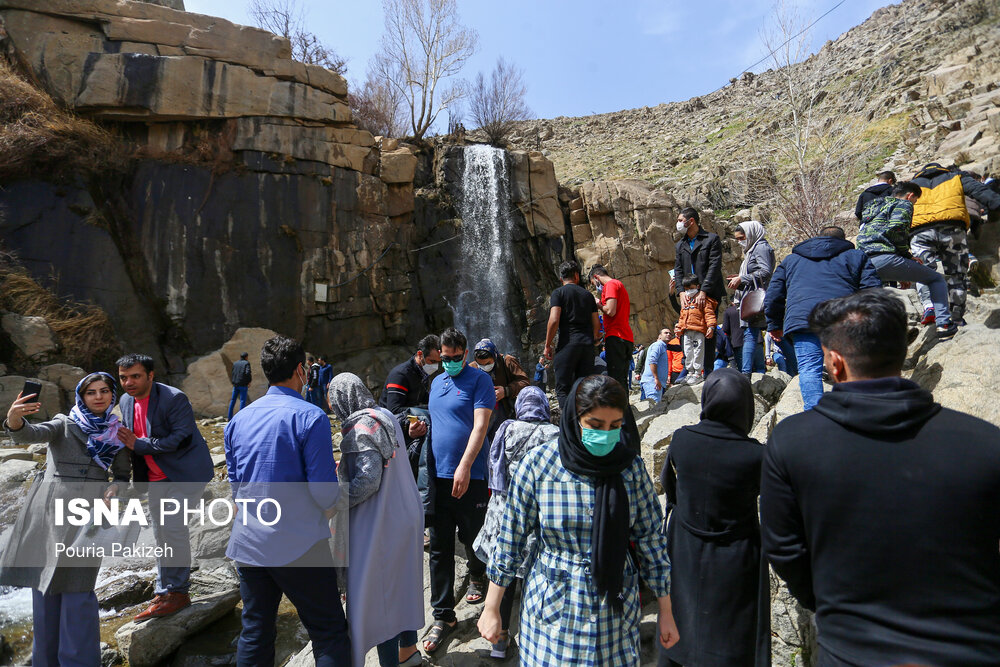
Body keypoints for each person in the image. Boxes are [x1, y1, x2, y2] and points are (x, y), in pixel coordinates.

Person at [760, 289, 1000, 666]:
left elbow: (784, 550)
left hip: (852, 650)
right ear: (901, 353)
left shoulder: (792, 443)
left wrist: (836, 605)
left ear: (835, 363)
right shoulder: (987, 443)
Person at [477, 375, 679, 665]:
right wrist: (492, 607)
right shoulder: (538, 466)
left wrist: (666, 611)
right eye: (595, 425)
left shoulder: (630, 469)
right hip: (554, 610)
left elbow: (651, 541)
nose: (605, 435)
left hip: (613, 615)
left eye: (615, 426)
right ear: (575, 418)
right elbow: (511, 537)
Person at [224, 336, 351, 666]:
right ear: (301, 370)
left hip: (249, 541)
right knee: (329, 632)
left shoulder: (238, 420)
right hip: (300, 543)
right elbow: (323, 492)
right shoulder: (311, 417)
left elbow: (236, 487)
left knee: (255, 630)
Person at [0, 372, 129, 667]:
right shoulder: (63, 423)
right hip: (49, 513)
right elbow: (28, 435)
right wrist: (15, 419)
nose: (98, 397)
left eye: (104, 391)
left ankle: (79, 662)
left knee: (79, 589)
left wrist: (116, 486)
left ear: (112, 395)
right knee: (45, 585)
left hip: (92, 514)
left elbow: (122, 472)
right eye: (91, 392)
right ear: (81, 398)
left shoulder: (118, 430)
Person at [658, 369, 768, 667]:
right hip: (737, 558)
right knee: (731, 633)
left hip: (684, 547)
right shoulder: (756, 456)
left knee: (681, 618)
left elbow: (669, 485)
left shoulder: (682, 439)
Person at [328, 374, 424, 667]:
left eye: (332, 401)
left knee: (379, 601)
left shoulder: (360, 427)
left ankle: (390, 662)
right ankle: (409, 652)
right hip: (405, 514)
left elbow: (368, 481)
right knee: (401, 587)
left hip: (380, 526)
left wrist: (333, 500)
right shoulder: (384, 416)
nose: (332, 408)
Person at [116, 353, 214, 619]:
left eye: (135, 376)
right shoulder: (125, 400)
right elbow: (126, 441)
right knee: (161, 534)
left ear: (150, 375)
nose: (128, 383)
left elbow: (179, 439)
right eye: (123, 377)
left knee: (172, 529)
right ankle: (165, 592)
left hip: (185, 474)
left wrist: (140, 444)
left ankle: (177, 593)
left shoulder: (174, 398)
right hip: (156, 478)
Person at [472, 386, 559, 659]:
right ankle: (536, 637)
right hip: (541, 519)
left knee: (504, 577)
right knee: (535, 581)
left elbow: (493, 469)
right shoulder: (556, 435)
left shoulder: (507, 430)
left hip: (506, 515)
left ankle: (499, 641)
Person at [423, 328, 494, 653]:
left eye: (455, 358)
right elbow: (439, 422)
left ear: (465, 353)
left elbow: (480, 425)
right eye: (444, 358)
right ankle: (443, 616)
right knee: (439, 548)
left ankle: (479, 575)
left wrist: (465, 466)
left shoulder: (479, 381)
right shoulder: (436, 383)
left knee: (473, 536)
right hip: (437, 479)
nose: (449, 363)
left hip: (471, 476)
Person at [763, 227, 881, 410]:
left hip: (804, 321)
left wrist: (774, 323)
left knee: (809, 369)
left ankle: (815, 416)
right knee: (847, 367)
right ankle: (853, 413)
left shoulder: (791, 260)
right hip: (842, 318)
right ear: (843, 241)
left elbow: (773, 295)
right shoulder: (856, 256)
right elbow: (872, 290)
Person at [857, 181, 958, 339]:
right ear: (910, 195)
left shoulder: (873, 207)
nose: (914, 204)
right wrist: (907, 255)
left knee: (877, 301)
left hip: (865, 263)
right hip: (886, 257)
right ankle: (944, 324)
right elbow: (897, 228)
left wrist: (900, 273)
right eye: (915, 200)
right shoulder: (904, 204)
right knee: (936, 279)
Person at [909, 162, 1000, 325]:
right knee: (957, 274)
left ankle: (929, 307)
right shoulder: (956, 176)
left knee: (922, 271)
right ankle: (957, 317)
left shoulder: (911, 185)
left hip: (920, 231)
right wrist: (996, 203)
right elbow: (979, 191)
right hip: (952, 227)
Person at [673, 208, 724, 375]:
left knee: (708, 330)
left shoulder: (711, 239)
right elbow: (678, 270)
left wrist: (704, 291)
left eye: (681, 220)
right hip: (688, 294)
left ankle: (707, 369)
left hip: (708, 294)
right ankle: (687, 369)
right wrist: (681, 292)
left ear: (691, 221)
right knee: (686, 328)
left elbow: (714, 267)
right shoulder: (681, 244)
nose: (678, 223)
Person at [544, 260, 600, 408]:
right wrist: (594, 339)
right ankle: (587, 424)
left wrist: (547, 345)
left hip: (567, 345)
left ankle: (569, 426)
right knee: (586, 388)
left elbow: (554, 320)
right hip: (587, 346)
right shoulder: (588, 295)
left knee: (563, 389)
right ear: (576, 275)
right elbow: (596, 324)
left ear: (561, 278)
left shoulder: (558, 293)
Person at [727, 221, 775, 378]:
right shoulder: (752, 249)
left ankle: (746, 373)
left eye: (742, 237)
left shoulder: (760, 247)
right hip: (751, 296)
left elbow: (765, 272)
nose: (740, 241)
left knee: (752, 333)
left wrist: (742, 278)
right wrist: (740, 279)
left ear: (752, 233)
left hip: (757, 298)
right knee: (763, 332)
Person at [469, 338, 530, 436]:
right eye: (481, 364)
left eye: (488, 363)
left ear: (495, 356)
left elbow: (524, 382)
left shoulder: (507, 361)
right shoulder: (472, 368)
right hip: (481, 412)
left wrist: (506, 391)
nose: (485, 366)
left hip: (505, 410)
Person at [589, 264, 635, 388]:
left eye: (594, 283)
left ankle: (620, 407)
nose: (596, 287)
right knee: (622, 378)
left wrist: (598, 304)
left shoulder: (610, 285)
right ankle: (625, 407)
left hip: (616, 337)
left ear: (596, 277)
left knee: (615, 378)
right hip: (626, 337)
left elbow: (610, 310)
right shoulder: (618, 284)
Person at [677, 274, 717, 385]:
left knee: (698, 351)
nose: (689, 291)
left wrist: (711, 327)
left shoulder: (703, 300)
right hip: (686, 331)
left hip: (699, 331)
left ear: (698, 286)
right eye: (686, 289)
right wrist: (679, 329)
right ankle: (689, 372)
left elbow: (709, 314)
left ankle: (698, 374)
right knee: (688, 351)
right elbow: (682, 317)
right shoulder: (686, 301)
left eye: (691, 288)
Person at [640, 327, 674, 402]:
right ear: (660, 336)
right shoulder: (658, 345)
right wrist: (656, 378)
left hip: (655, 383)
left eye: (670, 333)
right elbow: (652, 361)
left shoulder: (663, 346)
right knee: (653, 408)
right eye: (666, 333)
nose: (669, 334)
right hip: (653, 383)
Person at [228, 352, 252, 420]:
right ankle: (240, 419)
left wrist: (233, 382)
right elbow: (248, 372)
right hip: (243, 385)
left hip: (235, 385)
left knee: (233, 401)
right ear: (246, 357)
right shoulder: (246, 363)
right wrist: (249, 381)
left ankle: (229, 418)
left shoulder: (235, 363)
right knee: (242, 401)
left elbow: (233, 373)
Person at [721, 303, 744, 370]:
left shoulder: (728, 311)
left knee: (742, 368)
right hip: (754, 339)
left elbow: (725, 329)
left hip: (737, 341)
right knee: (758, 367)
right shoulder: (748, 306)